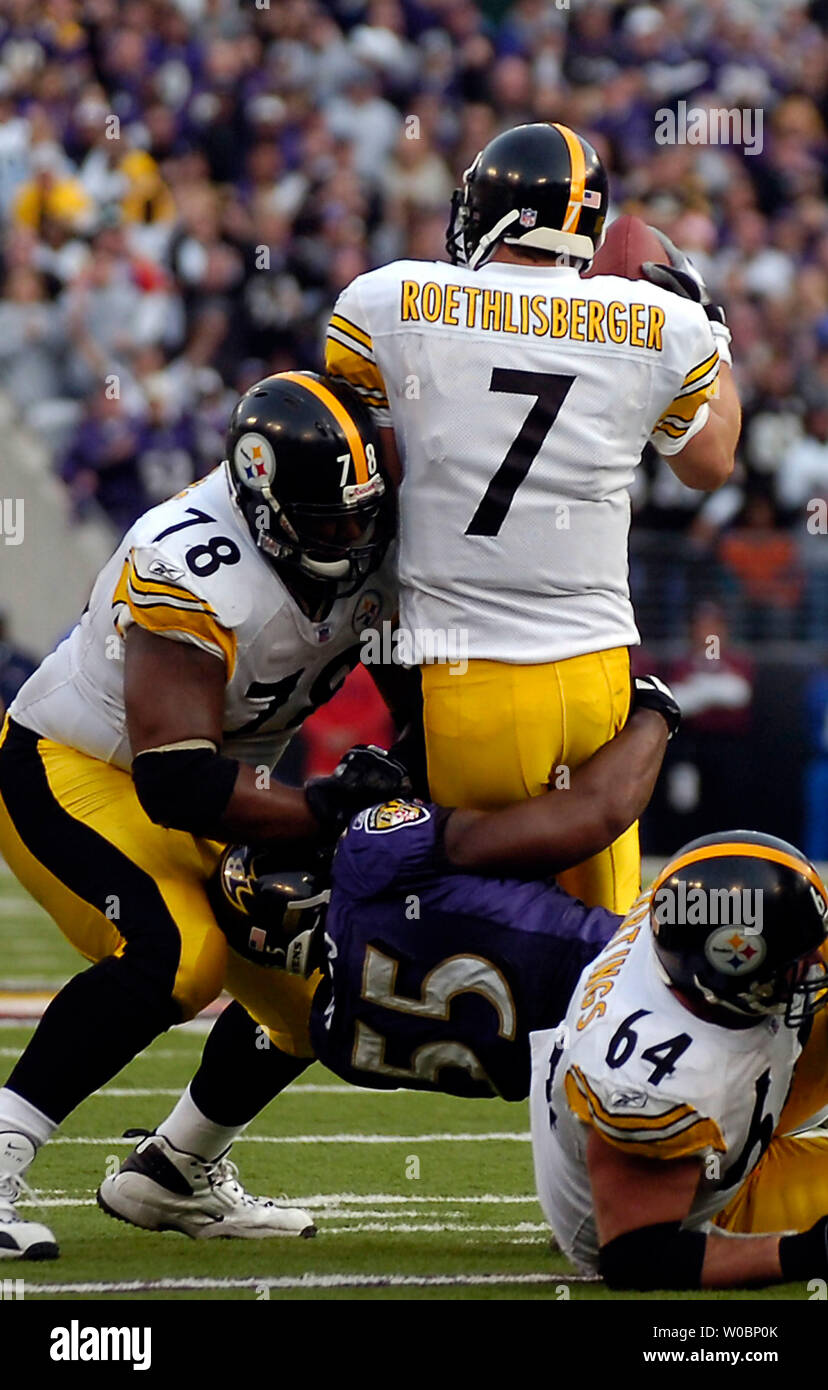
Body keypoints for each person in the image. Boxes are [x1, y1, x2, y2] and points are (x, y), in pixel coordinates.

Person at [0, 371, 406, 1260]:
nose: (357, 536)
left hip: (221, 787)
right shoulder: (188, 565)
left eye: (363, 514)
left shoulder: (370, 530)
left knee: (317, 991)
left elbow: (417, 696)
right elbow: (175, 780)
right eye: (333, 522)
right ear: (264, 506)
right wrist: (320, 810)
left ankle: (174, 1169)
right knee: (177, 953)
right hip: (75, 764)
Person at [324, 120, 741, 914]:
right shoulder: (658, 326)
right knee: (600, 946)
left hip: (465, 673)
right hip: (596, 677)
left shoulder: (390, 301)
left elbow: (387, 474)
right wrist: (708, 324)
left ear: (498, 216)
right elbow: (709, 462)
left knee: (475, 932)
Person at [97, 676, 678, 1237]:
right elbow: (592, 815)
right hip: (646, 977)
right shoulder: (374, 855)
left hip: (606, 1090)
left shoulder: (335, 1040)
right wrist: (654, 712)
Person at [529, 831, 828, 1290]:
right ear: (725, 973)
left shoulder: (691, 913)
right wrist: (811, 1253)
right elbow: (639, 1258)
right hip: (693, 1201)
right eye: (796, 964)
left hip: (737, 1073)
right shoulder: (649, 1083)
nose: (814, 966)